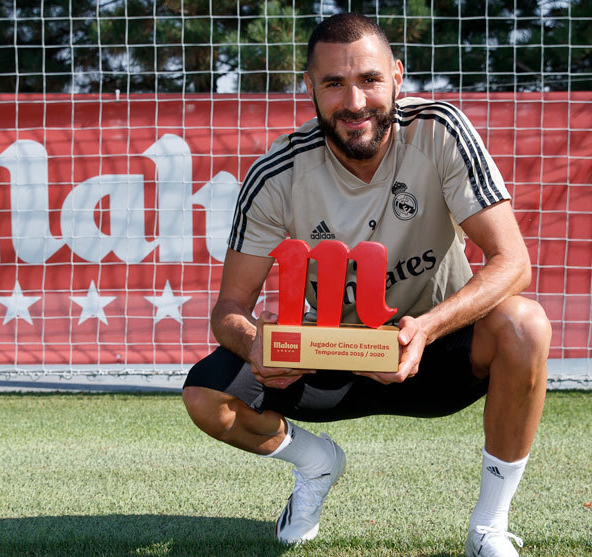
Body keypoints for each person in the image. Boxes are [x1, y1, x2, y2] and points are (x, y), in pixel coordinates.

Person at [182, 12, 550, 557]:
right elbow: (229, 308)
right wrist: (255, 342)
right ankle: (316, 463)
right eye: (334, 83)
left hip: (436, 348)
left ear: (397, 77)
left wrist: (426, 328)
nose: (354, 102)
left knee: (525, 324)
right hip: (332, 357)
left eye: (370, 79)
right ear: (310, 87)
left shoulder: (439, 131)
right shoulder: (276, 175)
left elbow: (513, 262)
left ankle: (488, 529)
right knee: (206, 395)